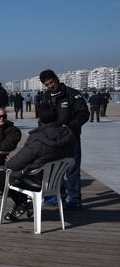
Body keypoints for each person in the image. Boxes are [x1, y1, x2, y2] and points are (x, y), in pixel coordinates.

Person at [0, 102, 76, 221]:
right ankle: (24, 204)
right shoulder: (69, 135)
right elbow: (49, 156)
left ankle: (22, 203)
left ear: (40, 118)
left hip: (36, 180)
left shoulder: (38, 138)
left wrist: (12, 161)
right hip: (56, 182)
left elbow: (13, 165)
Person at [39, 69, 89, 210]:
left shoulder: (72, 94)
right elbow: (42, 116)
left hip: (71, 138)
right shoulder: (46, 96)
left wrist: (69, 126)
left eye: (51, 83)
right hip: (53, 140)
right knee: (55, 169)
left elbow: (84, 114)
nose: (50, 86)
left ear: (57, 79)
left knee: (72, 170)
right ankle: (56, 196)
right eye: (47, 85)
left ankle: (75, 199)